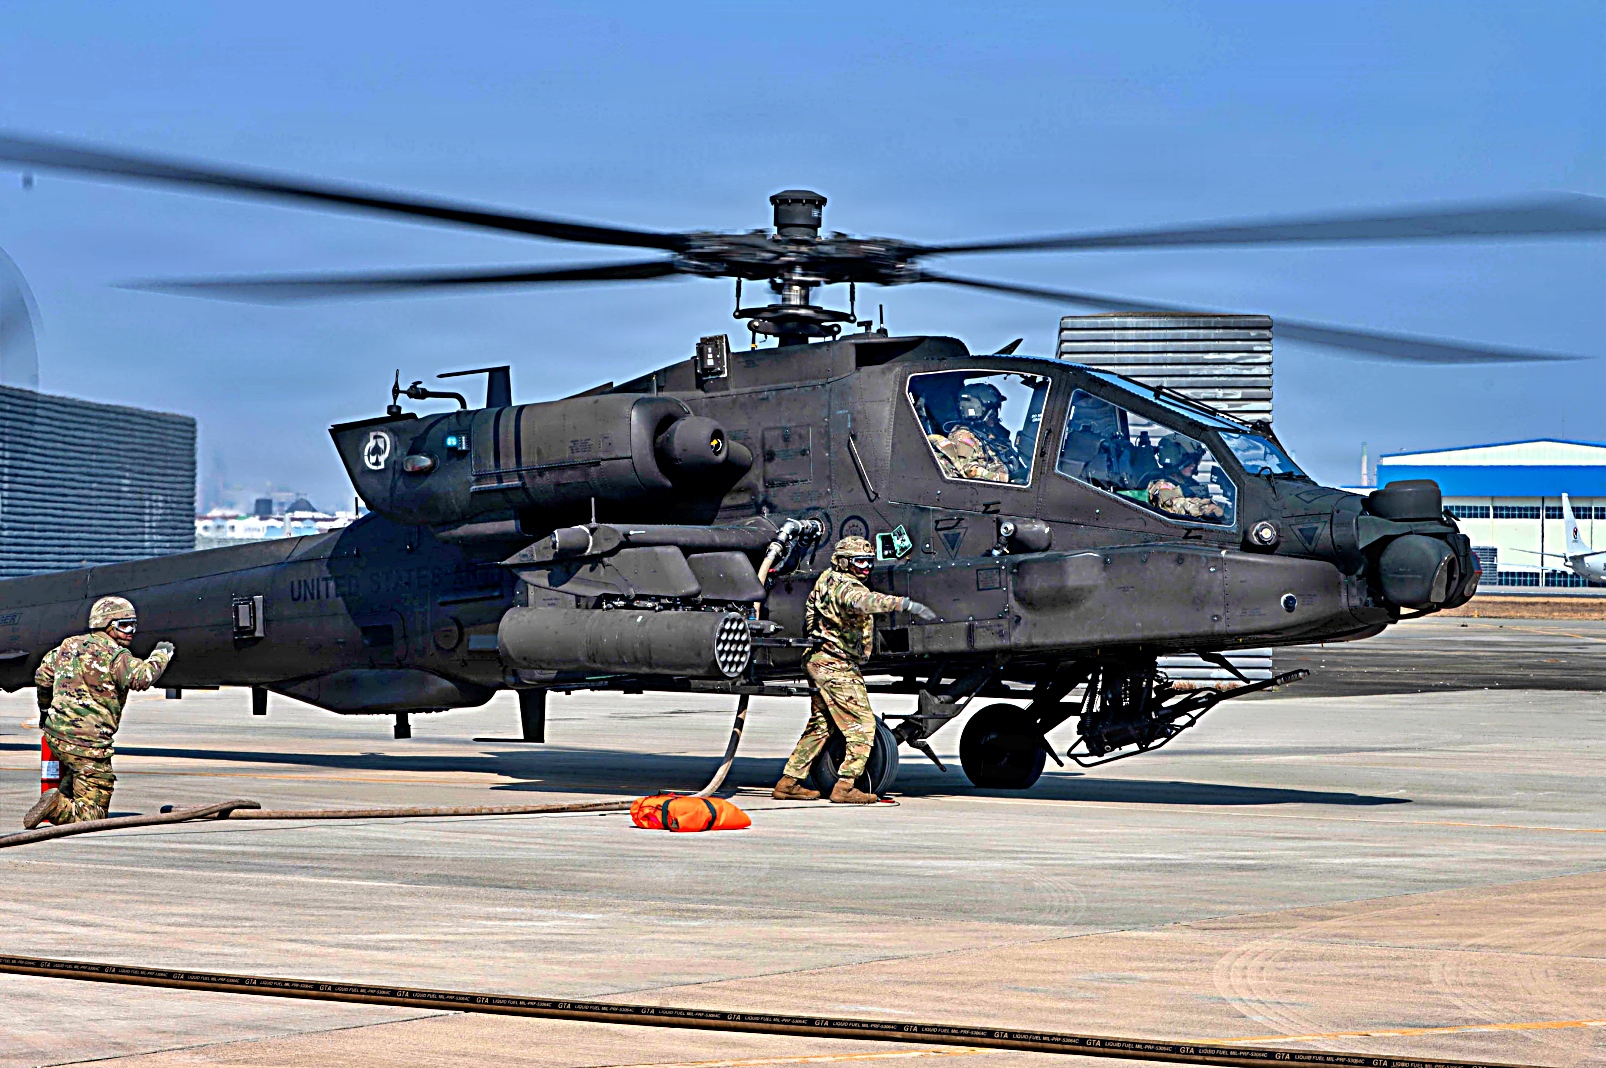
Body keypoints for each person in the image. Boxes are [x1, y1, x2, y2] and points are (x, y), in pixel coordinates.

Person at [773, 537, 938, 804]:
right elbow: (862, 602)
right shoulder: (846, 587)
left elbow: (813, 616)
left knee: (821, 725)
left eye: (869, 562)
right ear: (843, 562)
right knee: (862, 725)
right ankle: (845, 786)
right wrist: (902, 604)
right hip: (835, 664)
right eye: (859, 561)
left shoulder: (826, 580)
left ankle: (788, 782)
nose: (866, 567)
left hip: (819, 660)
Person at [23, 596, 174, 828]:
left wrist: (45, 709)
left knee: (79, 772)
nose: (131, 632)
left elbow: (43, 676)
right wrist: (162, 654)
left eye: (133, 625)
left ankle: (62, 797)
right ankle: (57, 807)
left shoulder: (68, 646)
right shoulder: (116, 656)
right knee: (94, 816)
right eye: (125, 625)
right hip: (89, 744)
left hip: (56, 735)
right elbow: (142, 677)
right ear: (106, 625)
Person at [1147, 436, 1225, 520]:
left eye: (1196, 460)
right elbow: (1175, 504)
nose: (1193, 465)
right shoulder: (1162, 484)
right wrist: (1204, 509)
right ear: (1176, 460)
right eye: (1188, 460)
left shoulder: (1190, 482)